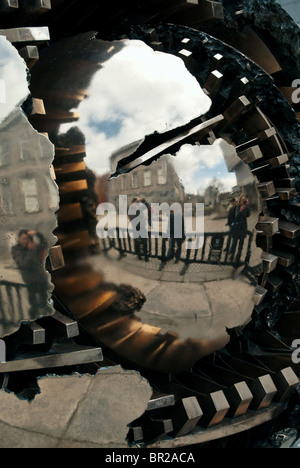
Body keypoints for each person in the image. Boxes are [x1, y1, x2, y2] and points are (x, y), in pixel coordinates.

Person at [12, 229, 50, 314]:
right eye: (23, 238)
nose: (25, 241)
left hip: (41, 276)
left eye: (27, 238)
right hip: (30, 279)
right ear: (19, 238)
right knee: (33, 300)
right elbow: (23, 264)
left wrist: (38, 234)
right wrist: (30, 251)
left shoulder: (33, 246)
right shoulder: (16, 249)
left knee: (44, 298)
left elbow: (44, 244)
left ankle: (45, 310)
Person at [229, 195, 250, 262]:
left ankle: (238, 256)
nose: (242, 201)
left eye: (244, 200)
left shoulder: (246, 207)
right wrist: (240, 211)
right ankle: (232, 255)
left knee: (241, 244)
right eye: (242, 200)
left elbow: (248, 215)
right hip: (237, 227)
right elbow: (236, 217)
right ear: (240, 200)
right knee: (234, 242)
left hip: (243, 227)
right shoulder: (237, 207)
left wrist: (247, 206)